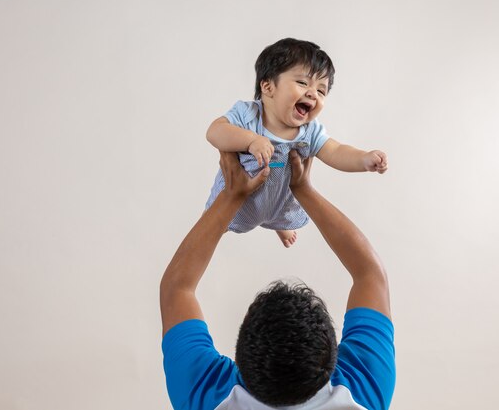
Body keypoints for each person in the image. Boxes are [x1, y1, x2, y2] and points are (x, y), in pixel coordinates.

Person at [161, 151, 395, 410]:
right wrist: (304, 190)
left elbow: (177, 289)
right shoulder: (362, 395)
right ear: (332, 358)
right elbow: (370, 274)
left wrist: (231, 196)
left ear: (242, 352)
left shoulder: (208, 396)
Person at [205, 38, 388, 248]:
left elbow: (335, 150)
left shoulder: (309, 130)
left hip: (278, 203)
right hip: (239, 201)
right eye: (302, 83)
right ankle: (262, 223)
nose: (312, 93)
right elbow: (214, 131)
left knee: (277, 212)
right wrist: (251, 141)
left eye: (321, 90)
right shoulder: (248, 115)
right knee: (212, 226)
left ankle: (277, 224)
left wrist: (363, 159)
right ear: (267, 86)